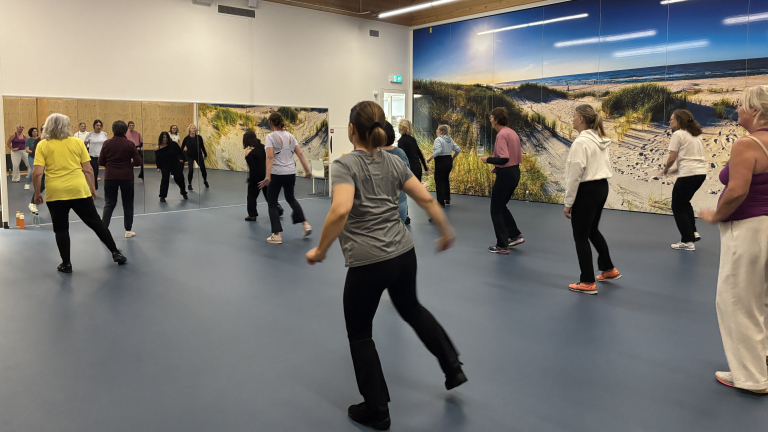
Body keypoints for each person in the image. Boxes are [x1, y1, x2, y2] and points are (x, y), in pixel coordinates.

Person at [305, 101, 466, 430]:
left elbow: (339, 211)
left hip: (368, 262)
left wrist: (320, 249)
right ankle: (453, 367)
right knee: (412, 308)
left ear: (351, 130)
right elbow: (426, 199)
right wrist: (445, 230)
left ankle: (377, 409)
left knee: (360, 333)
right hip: (403, 254)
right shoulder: (393, 163)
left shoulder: (345, 165)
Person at [699, 85, 768, 394]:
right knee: (761, 299)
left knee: (737, 301)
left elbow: (738, 191)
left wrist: (717, 215)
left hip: (750, 230)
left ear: (755, 111)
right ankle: (760, 360)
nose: (736, 110)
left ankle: (752, 378)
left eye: (741, 106)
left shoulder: (746, 144)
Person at [32, 113, 127, 273]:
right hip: (78, 190)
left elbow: (37, 173)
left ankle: (66, 264)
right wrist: (92, 189)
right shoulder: (77, 142)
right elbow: (88, 169)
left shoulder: (43, 145)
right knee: (96, 223)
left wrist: (37, 193)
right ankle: (116, 252)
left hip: (56, 193)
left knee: (61, 229)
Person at [564, 104, 621, 295]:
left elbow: (574, 174)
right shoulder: (600, 139)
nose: (572, 119)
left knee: (580, 236)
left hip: (586, 190)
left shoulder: (580, 143)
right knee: (592, 230)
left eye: (573, 116)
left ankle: (587, 281)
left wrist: (568, 202)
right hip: (601, 188)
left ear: (581, 119)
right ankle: (608, 269)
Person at [258, 112, 312, 244]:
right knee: (291, 198)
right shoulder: (291, 136)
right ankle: (305, 224)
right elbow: (299, 153)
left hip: (277, 174)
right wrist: (307, 170)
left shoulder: (270, 137)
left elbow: (270, 157)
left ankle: (276, 235)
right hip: (290, 173)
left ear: (271, 123)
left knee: (272, 202)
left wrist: (267, 176)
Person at [661, 109, 707, 251]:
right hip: (700, 174)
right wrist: (676, 170)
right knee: (684, 203)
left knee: (677, 205)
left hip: (689, 174)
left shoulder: (678, 134)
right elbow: (693, 158)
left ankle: (687, 241)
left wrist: (666, 169)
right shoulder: (695, 135)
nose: (670, 121)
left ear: (679, 121)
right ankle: (692, 232)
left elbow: (672, 157)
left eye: (672, 119)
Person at [481, 107, 525, 254]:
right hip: (513, 173)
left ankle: (502, 245)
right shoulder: (511, 132)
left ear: (496, 120)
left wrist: (488, 160)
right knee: (501, 206)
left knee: (495, 209)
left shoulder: (501, 135)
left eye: (492, 117)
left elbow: (504, 158)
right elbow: (511, 158)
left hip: (506, 175)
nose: (490, 119)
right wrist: (497, 168)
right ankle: (514, 235)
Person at [99, 120, 142, 238]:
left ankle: (103, 230)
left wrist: (110, 164)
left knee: (109, 203)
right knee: (128, 203)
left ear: (113, 130)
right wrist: (129, 164)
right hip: (126, 176)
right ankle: (128, 230)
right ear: (125, 130)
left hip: (110, 176)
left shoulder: (106, 143)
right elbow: (138, 162)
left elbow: (101, 161)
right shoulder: (130, 144)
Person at [382, 121, 410, 224]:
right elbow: (407, 175)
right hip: (399, 203)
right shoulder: (400, 153)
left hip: (380, 205)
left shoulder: (372, 154)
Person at [426, 124, 460, 207]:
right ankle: (447, 198)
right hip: (448, 161)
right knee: (445, 179)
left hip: (440, 161)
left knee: (439, 181)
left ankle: (441, 202)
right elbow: (458, 150)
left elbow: (438, 150)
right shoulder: (450, 140)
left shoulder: (438, 139)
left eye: (438, 129)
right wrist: (453, 157)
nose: (436, 130)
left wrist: (430, 158)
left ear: (441, 131)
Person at [155, 131, 187, 202]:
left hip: (175, 164)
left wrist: (184, 159)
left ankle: (183, 192)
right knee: (165, 180)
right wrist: (158, 167)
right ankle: (162, 196)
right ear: (161, 138)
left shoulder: (173, 144)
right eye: (163, 137)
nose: (165, 139)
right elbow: (158, 158)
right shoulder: (158, 148)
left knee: (179, 178)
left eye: (166, 137)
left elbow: (180, 152)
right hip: (165, 165)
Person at [244, 131, 266, 221]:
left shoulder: (251, 153)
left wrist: (250, 179)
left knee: (251, 196)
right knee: (269, 196)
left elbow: (253, 168)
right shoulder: (263, 147)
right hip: (266, 175)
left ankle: (252, 215)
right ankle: (277, 208)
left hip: (256, 177)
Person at [182, 124, 208, 190]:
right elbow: (181, 148)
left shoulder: (199, 137)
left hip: (198, 155)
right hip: (190, 156)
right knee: (191, 170)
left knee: (203, 169)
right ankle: (189, 184)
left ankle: (205, 181)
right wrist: (182, 157)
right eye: (192, 128)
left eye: (194, 128)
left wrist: (205, 154)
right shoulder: (186, 139)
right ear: (189, 130)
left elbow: (202, 146)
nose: (193, 129)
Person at [84, 119, 107, 190]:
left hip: (103, 156)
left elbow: (106, 144)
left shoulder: (104, 134)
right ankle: (94, 188)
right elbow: (84, 144)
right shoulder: (90, 134)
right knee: (94, 173)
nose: (99, 127)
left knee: (108, 171)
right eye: (97, 125)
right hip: (93, 156)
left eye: (100, 125)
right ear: (94, 126)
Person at [26, 127, 43, 212]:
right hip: (42, 165)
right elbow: (35, 153)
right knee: (42, 185)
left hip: (53, 168)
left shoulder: (54, 140)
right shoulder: (39, 141)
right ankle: (32, 203)